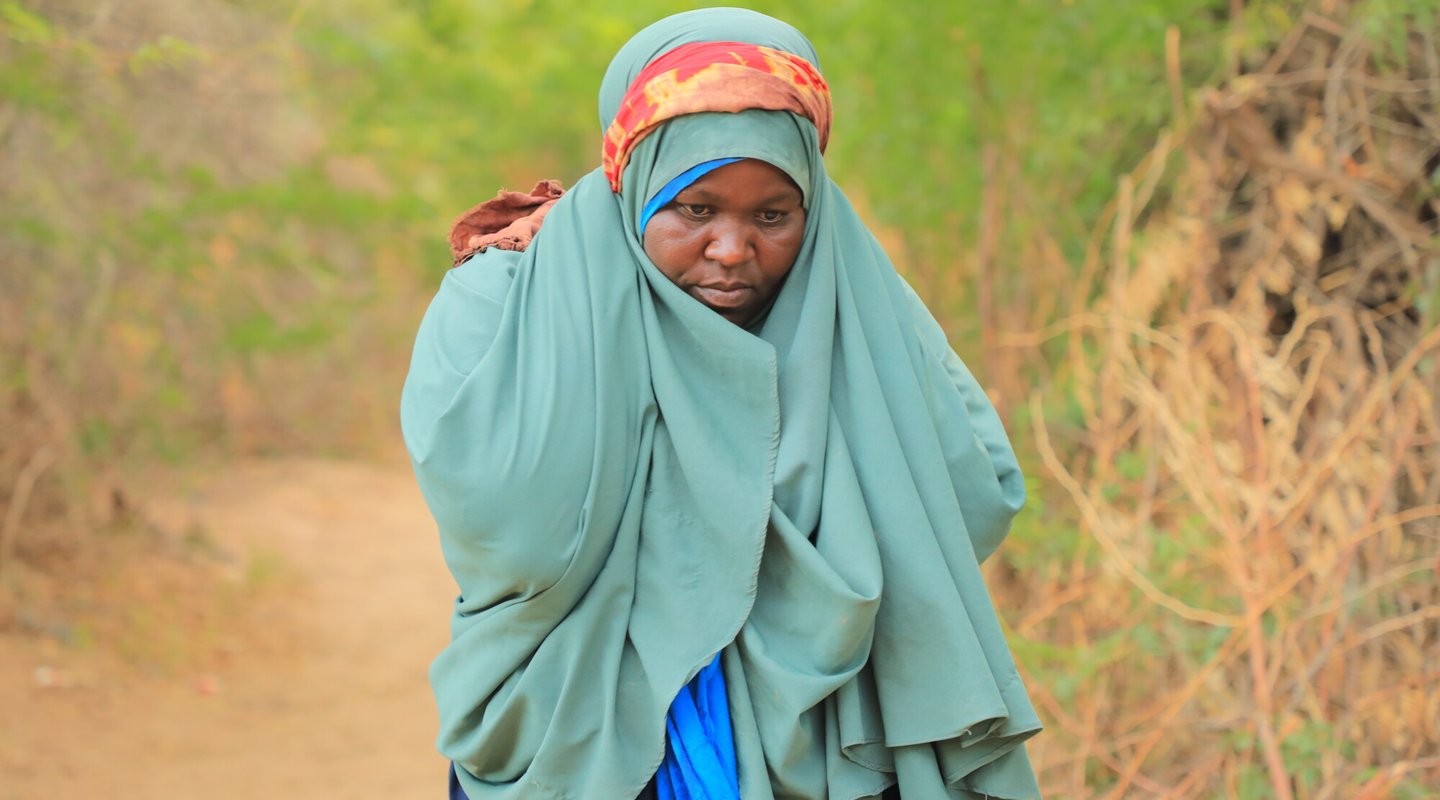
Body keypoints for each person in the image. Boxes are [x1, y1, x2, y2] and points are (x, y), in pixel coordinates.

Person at [402, 9, 1042, 799]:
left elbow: (973, 493)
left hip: (817, 737)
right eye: (694, 210)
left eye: (772, 216)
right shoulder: (509, 298)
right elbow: (508, 529)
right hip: (571, 722)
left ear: (811, 207)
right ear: (632, 186)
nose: (733, 250)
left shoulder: (853, 309)